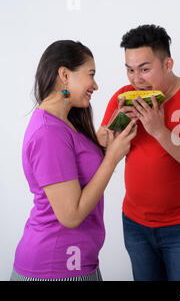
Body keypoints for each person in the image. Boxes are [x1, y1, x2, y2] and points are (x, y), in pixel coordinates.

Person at [97, 24, 180, 281]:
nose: (136, 79)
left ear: (168, 64)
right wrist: (116, 127)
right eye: (130, 70)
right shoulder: (123, 97)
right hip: (134, 225)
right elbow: (101, 145)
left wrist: (160, 131)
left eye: (145, 69)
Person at [11, 40, 137, 281]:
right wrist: (112, 158)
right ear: (65, 75)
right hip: (55, 266)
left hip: (76, 262)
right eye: (91, 75)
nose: (96, 85)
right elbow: (71, 215)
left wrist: (115, 129)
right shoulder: (49, 133)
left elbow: (81, 161)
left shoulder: (65, 122)